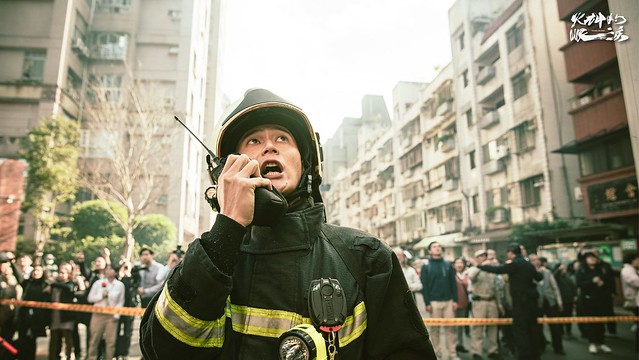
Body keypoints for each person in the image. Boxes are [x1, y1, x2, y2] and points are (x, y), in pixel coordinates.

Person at [140, 88, 435, 359]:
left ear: (305, 163)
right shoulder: (208, 258)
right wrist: (226, 228)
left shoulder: (367, 258)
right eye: (254, 140)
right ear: (227, 170)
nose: (269, 147)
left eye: (282, 138)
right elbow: (162, 349)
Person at [477, 243, 542, 360]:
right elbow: (538, 277)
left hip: (520, 301)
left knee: (521, 330)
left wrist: (481, 266)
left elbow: (498, 270)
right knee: (533, 328)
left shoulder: (515, 264)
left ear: (511, 252)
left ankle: (524, 355)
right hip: (532, 301)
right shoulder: (528, 264)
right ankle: (535, 354)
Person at [421, 241, 458, 359]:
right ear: (430, 251)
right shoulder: (426, 266)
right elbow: (424, 286)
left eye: (439, 247)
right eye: (434, 247)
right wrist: (427, 303)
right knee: (435, 329)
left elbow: (454, 283)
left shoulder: (447, 264)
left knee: (450, 328)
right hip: (434, 302)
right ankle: (437, 353)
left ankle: (452, 353)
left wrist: (455, 300)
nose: (437, 248)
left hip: (448, 301)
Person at [576, 250, 613, 354]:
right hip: (588, 300)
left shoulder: (600, 269)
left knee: (601, 322)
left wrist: (602, 283)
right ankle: (592, 343)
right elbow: (579, 284)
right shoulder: (582, 270)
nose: (593, 259)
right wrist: (592, 281)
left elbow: (607, 281)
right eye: (590, 257)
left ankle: (601, 342)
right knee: (591, 322)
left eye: (594, 257)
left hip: (601, 299)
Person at [467, 250, 501, 360]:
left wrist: (499, 304)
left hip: (492, 301)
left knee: (493, 327)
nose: (483, 257)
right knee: (477, 328)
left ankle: (493, 350)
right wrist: (480, 266)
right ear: (476, 258)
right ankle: (477, 352)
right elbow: (471, 277)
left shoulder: (491, 270)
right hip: (479, 302)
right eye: (480, 256)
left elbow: (496, 288)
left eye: (485, 256)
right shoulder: (473, 269)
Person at [87, 265, 125, 360]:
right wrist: (101, 295)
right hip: (98, 314)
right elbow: (90, 298)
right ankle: (92, 357)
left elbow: (121, 301)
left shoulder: (120, 285)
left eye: (112, 269)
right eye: (107, 269)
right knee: (94, 339)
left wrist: (117, 314)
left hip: (112, 315)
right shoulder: (98, 283)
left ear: (115, 272)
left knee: (111, 341)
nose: (109, 271)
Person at [530, 255, 564, 355]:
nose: (535, 262)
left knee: (555, 326)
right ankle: (541, 345)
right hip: (537, 303)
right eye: (532, 260)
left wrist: (559, 301)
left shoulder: (547, 272)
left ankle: (558, 347)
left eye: (536, 260)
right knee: (538, 327)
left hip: (550, 301)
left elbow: (555, 287)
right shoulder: (529, 274)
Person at [17, 265, 50, 360]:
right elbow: (18, 276)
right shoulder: (27, 283)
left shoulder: (46, 285)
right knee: (22, 340)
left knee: (32, 341)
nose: (36, 272)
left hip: (37, 318)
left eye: (39, 271)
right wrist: (12, 262)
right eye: (34, 270)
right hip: (24, 315)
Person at [47, 262, 77, 360]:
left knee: (68, 340)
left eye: (64, 273)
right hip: (55, 316)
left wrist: (54, 283)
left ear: (68, 274)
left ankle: (69, 357)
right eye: (60, 273)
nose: (61, 275)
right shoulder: (55, 285)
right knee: (54, 340)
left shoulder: (70, 284)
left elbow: (70, 289)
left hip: (66, 316)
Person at [552, 262, 578, 339]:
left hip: (569, 299)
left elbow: (573, 286)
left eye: (564, 268)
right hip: (561, 300)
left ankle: (569, 332)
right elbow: (554, 275)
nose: (564, 270)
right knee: (561, 317)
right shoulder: (557, 277)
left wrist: (575, 295)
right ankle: (561, 332)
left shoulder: (568, 276)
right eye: (562, 269)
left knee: (569, 317)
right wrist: (558, 269)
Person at [620, 252, 639, 350]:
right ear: (632, 260)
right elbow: (636, 282)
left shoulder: (632, 270)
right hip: (635, 301)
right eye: (637, 259)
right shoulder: (627, 270)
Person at [452, 257, 470, 354]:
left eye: (461, 263)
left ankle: (460, 344)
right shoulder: (451, 275)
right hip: (454, 304)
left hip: (464, 303)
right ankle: (453, 347)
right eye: (457, 263)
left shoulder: (468, 274)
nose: (459, 265)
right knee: (453, 327)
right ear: (454, 265)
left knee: (461, 326)